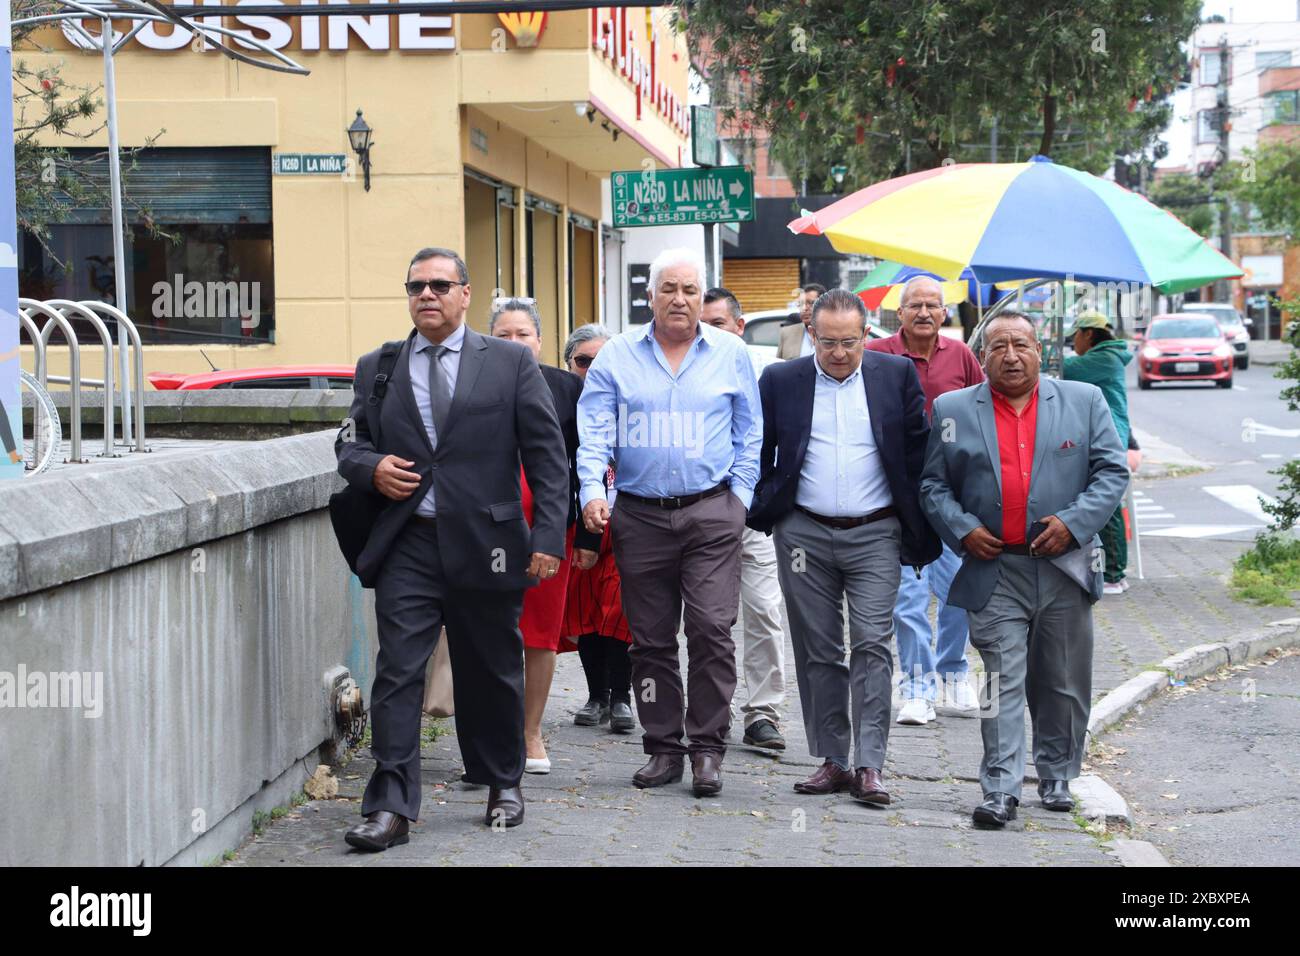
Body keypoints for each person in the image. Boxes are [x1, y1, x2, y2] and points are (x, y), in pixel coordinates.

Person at [335, 247, 569, 850]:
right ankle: (390, 807)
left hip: (489, 543)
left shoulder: (511, 363)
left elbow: (546, 457)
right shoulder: (378, 366)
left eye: (441, 284)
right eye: (416, 286)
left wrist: (547, 536)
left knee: (489, 668)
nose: (427, 295)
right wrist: (372, 468)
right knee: (397, 672)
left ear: (466, 294)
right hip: (408, 540)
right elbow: (349, 445)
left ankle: (501, 780)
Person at [920, 311, 1128, 829]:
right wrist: (963, 528)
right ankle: (999, 787)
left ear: (1041, 350)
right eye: (998, 347)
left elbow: (1111, 471)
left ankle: (1057, 775)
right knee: (1001, 680)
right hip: (995, 568)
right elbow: (932, 486)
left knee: (1061, 679)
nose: (1010, 356)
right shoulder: (952, 409)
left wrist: (1075, 523)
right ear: (982, 356)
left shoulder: (1084, 402)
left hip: (1064, 567)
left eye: (1021, 345)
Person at [576, 247, 762, 798]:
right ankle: (663, 748)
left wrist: (740, 499)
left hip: (712, 513)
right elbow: (594, 432)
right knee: (651, 641)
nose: (679, 299)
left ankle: (707, 748)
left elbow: (750, 431)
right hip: (639, 515)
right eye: (668, 289)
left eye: (690, 290)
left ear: (701, 298)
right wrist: (591, 492)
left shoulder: (730, 353)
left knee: (711, 630)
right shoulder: (615, 357)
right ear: (650, 296)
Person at [749, 289, 939, 805]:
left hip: (877, 530)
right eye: (828, 341)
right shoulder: (781, 380)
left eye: (849, 342)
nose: (838, 352)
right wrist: (764, 503)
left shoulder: (894, 376)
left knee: (874, 643)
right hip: (804, 531)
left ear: (866, 335)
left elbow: (918, 451)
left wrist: (921, 521)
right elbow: (757, 448)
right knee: (819, 647)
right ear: (811, 334)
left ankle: (869, 764)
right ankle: (833, 759)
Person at [489, 297, 604, 773]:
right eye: (503, 335)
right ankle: (491, 734)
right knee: (489, 634)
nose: (514, 343)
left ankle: (530, 731)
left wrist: (587, 539)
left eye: (523, 335)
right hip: (486, 529)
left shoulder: (566, 390)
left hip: (549, 529)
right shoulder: (471, 387)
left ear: (540, 341)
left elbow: (586, 463)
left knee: (540, 634)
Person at [866, 276, 987, 725]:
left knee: (958, 588)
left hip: (953, 495)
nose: (923, 312)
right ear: (899, 314)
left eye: (932, 305)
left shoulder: (962, 356)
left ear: (944, 313)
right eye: (914, 305)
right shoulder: (877, 355)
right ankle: (916, 686)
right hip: (896, 493)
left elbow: (983, 413)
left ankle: (953, 670)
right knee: (908, 596)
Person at [701, 286, 788, 751]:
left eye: (717, 323)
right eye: (702, 324)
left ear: (739, 325)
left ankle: (762, 712)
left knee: (764, 610)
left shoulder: (768, 377)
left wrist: (758, 501)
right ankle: (707, 708)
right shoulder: (685, 374)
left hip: (753, 517)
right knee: (705, 620)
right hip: (700, 513)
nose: (707, 332)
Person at [559, 324, 635, 734]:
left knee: (619, 611)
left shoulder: (633, 403)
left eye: (601, 360)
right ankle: (596, 695)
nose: (591, 369)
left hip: (628, 521)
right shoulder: (558, 405)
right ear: (569, 364)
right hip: (578, 523)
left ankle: (622, 697)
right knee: (587, 612)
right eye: (582, 361)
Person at [1063, 311, 1133, 595]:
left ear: (1088, 334)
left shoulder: (1102, 359)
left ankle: (1114, 573)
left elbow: (1063, 367)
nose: (1073, 342)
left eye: (1075, 336)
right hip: (1107, 434)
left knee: (1108, 504)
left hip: (1108, 437)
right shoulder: (1107, 356)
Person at [777, 283, 826, 359]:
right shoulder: (787, 333)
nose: (804, 308)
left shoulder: (835, 333)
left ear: (824, 305)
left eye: (811, 303)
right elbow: (779, 365)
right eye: (801, 304)